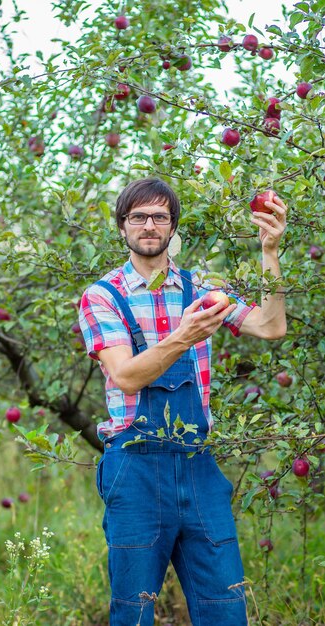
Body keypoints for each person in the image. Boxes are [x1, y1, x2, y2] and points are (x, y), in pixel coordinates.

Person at [79, 177, 287, 626]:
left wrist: (270, 250)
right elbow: (126, 375)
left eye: (159, 216)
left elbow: (270, 326)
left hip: (198, 466)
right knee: (133, 612)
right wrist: (183, 337)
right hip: (135, 470)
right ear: (122, 227)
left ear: (173, 227)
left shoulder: (202, 288)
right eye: (138, 217)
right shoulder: (102, 296)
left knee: (225, 608)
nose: (149, 225)